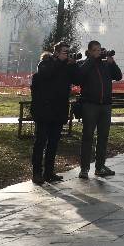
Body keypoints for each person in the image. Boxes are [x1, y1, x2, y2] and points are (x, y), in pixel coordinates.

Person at [70, 40, 123, 179]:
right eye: (95, 50)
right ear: (90, 51)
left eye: (100, 49)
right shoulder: (85, 64)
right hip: (90, 105)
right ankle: (84, 168)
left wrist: (112, 62)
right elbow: (79, 78)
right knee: (87, 136)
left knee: (103, 137)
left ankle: (100, 166)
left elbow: (118, 76)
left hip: (105, 105)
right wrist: (91, 60)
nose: (99, 52)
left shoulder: (106, 65)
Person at [29, 42, 75, 184]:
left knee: (53, 144)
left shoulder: (65, 67)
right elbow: (46, 74)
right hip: (44, 111)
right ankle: (37, 173)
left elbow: (77, 79)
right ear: (56, 53)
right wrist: (60, 62)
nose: (67, 54)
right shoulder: (45, 63)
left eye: (68, 52)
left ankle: (49, 172)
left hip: (58, 111)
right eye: (64, 52)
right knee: (40, 142)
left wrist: (73, 65)